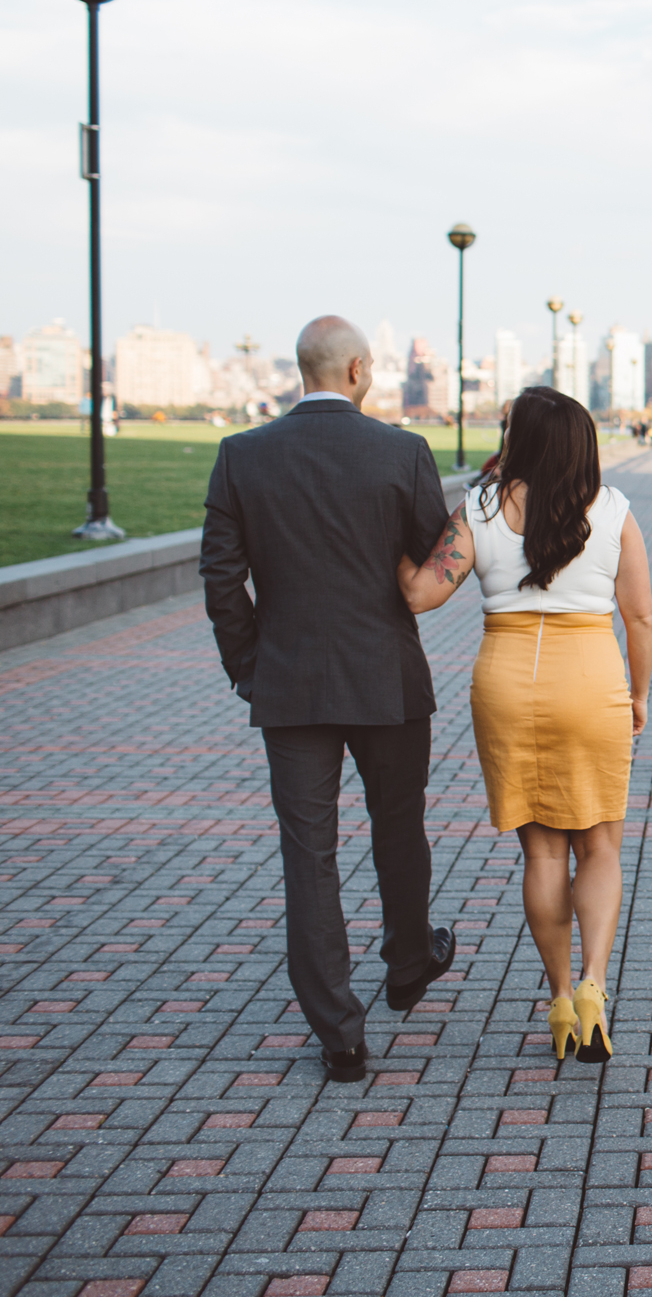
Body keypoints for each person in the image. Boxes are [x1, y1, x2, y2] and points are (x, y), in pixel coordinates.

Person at [199, 316, 457, 1084]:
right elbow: (437, 553)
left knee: (308, 857)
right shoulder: (402, 451)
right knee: (399, 827)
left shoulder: (241, 456)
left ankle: (339, 1034)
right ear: (357, 370)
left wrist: (251, 664)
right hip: (388, 680)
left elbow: (220, 577)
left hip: (291, 684)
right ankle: (409, 963)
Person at [398, 387, 652, 1064]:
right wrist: (639, 693)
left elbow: (420, 593)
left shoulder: (481, 507)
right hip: (590, 677)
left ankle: (563, 997)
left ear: (523, 438)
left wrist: (388, 541)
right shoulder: (613, 508)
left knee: (542, 852)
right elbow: (642, 618)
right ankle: (598, 986)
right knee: (599, 845)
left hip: (507, 682)